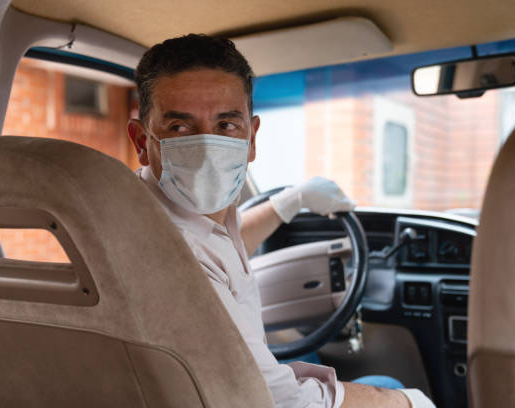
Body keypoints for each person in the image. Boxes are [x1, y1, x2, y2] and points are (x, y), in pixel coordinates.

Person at [127, 34, 435, 408]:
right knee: (387, 383)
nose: (207, 150)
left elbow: (218, 246)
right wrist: (407, 403)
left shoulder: (146, 210)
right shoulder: (169, 253)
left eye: (226, 125)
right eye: (180, 128)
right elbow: (274, 398)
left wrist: (289, 203)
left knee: (309, 361)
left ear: (251, 138)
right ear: (142, 141)